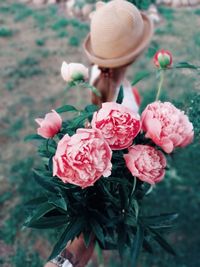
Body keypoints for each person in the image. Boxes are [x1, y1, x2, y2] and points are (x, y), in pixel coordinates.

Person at [45, 0, 153, 266]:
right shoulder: (124, 105)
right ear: (136, 54)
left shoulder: (95, 74)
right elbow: (121, 152)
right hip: (117, 177)